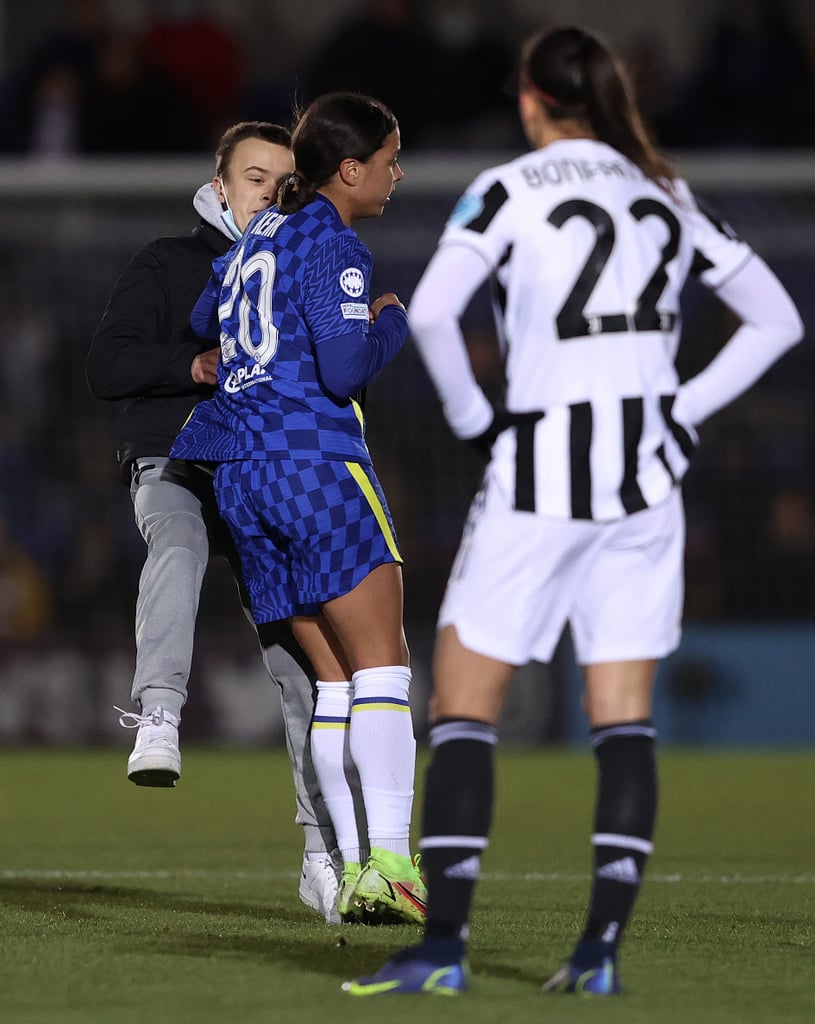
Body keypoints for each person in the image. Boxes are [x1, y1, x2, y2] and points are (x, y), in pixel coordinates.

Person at [343, 25, 804, 995]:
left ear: (527, 101)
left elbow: (429, 312)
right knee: (621, 719)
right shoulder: (663, 190)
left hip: (540, 474)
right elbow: (778, 318)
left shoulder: (507, 189)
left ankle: (443, 950)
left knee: (464, 706)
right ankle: (595, 956)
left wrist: (478, 424)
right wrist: (683, 408)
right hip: (645, 483)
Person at [170, 92, 427, 926]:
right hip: (314, 467)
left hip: (241, 477)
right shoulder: (333, 243)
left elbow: (205, 317)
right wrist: (391, 323)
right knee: (382, 669)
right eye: (389, 160)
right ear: (349, 170)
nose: (395, 174)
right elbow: (346, 368)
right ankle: (391, 865)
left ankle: (352, 872)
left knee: (333, 683)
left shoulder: (256, 241)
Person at [86, 121, 343, 924]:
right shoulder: (167, 262)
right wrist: (190, 364)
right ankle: (157, 716)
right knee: (180, 541)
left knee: (299, 664)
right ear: (221, 183)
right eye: (255, 175)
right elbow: (106, 367)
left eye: (282, 178)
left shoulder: (303, 267)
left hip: (263, 472)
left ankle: (322, 855)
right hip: (174, 458)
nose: (269, 189)